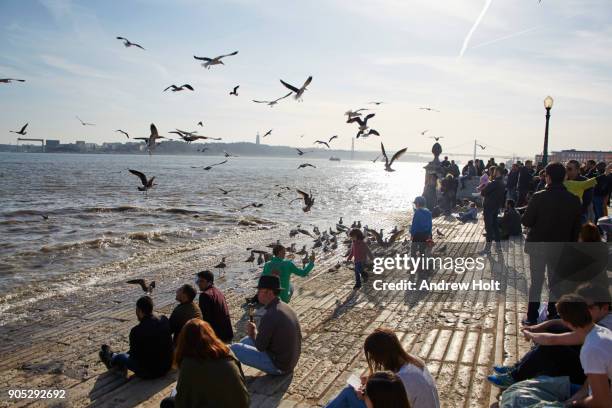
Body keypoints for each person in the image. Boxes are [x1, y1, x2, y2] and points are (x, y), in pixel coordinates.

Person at [488, 283, 611, 389]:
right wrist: (541, 326)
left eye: (587, 307)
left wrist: (531, 334)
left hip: (594, 379)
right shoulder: (595, 320)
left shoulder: (606, 327)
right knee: (553, 330)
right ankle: (518, 369)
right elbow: (563, 322)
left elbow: (553, 340)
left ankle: (515, 376)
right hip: (590, 367)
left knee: (552, 347)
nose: (582, 311)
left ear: (604, 308)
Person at [521, 162, 582, 325]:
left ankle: (532, 317)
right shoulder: (574, 200)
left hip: (538, 247)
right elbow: (576, 229)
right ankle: (553, 314)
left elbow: (526, 220)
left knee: (536, 283)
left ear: (547, 177)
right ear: (564, 177)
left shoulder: (539, 197)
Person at [325, 327, 439, 408]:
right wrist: (371, 380)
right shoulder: (414, 360)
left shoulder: (402, 380)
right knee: (349, 392)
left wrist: (364, 396)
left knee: (348, 393)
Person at [159, 319, 250, 408]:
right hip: (242, 404)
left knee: (167, 403)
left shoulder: (189, 364)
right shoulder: (227, 352)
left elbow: (182, 402)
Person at [230, 275, 301, 375]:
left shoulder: (270, 315)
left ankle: (232, 375)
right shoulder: (284, 306)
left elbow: (260, 347)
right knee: (245, 341)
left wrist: (253, 333)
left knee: (234, 348)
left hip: (280, 367)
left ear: (269, 292)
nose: (257, 294)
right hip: (290, 361)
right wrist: (253, 335)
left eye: (259, 291)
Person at [557, 294, 612, 408]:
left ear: (567, 323)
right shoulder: (602, 332)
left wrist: (574, 404)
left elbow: (602, 402)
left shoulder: (591, 349)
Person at [99, 296, 173, 379]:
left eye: (136, 310)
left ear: (140, 311)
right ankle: (112, 355)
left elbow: (134, 357)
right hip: (167, 366)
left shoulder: (136, 331)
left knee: (122, 357)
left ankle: (112, 358)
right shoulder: (164, 320)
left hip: (150, 373)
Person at [196, 270, 234, 343]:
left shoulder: (205, 295)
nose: (199, 284)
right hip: (227, 332)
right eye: (198, 281)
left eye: (202, 281)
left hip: (217, 337)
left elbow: (205, 319)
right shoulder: (218, 291)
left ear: (209, 282)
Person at [481, 166, 505, 252]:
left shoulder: (495, 182)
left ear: (498, 172)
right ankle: (498, 247)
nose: (493, 172)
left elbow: (483, 192)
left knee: (489, 227)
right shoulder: (502, 182)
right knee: (495, 226)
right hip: (496, 207)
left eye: (494, 171)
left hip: (489, 207)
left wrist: (484, 187)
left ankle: (487, 249)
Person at [410, 196, 432, 260]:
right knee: (422, 249)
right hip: (426, 234)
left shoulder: (417, 212)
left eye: (415, 203)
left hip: (417, 234)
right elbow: (430, 225)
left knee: (413, 249)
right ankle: (422, 261)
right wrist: (429, 235)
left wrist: (412, 234)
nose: (415, 205)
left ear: (418, 204)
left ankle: (413, 260)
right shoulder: (429, 212)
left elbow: (415, 225)